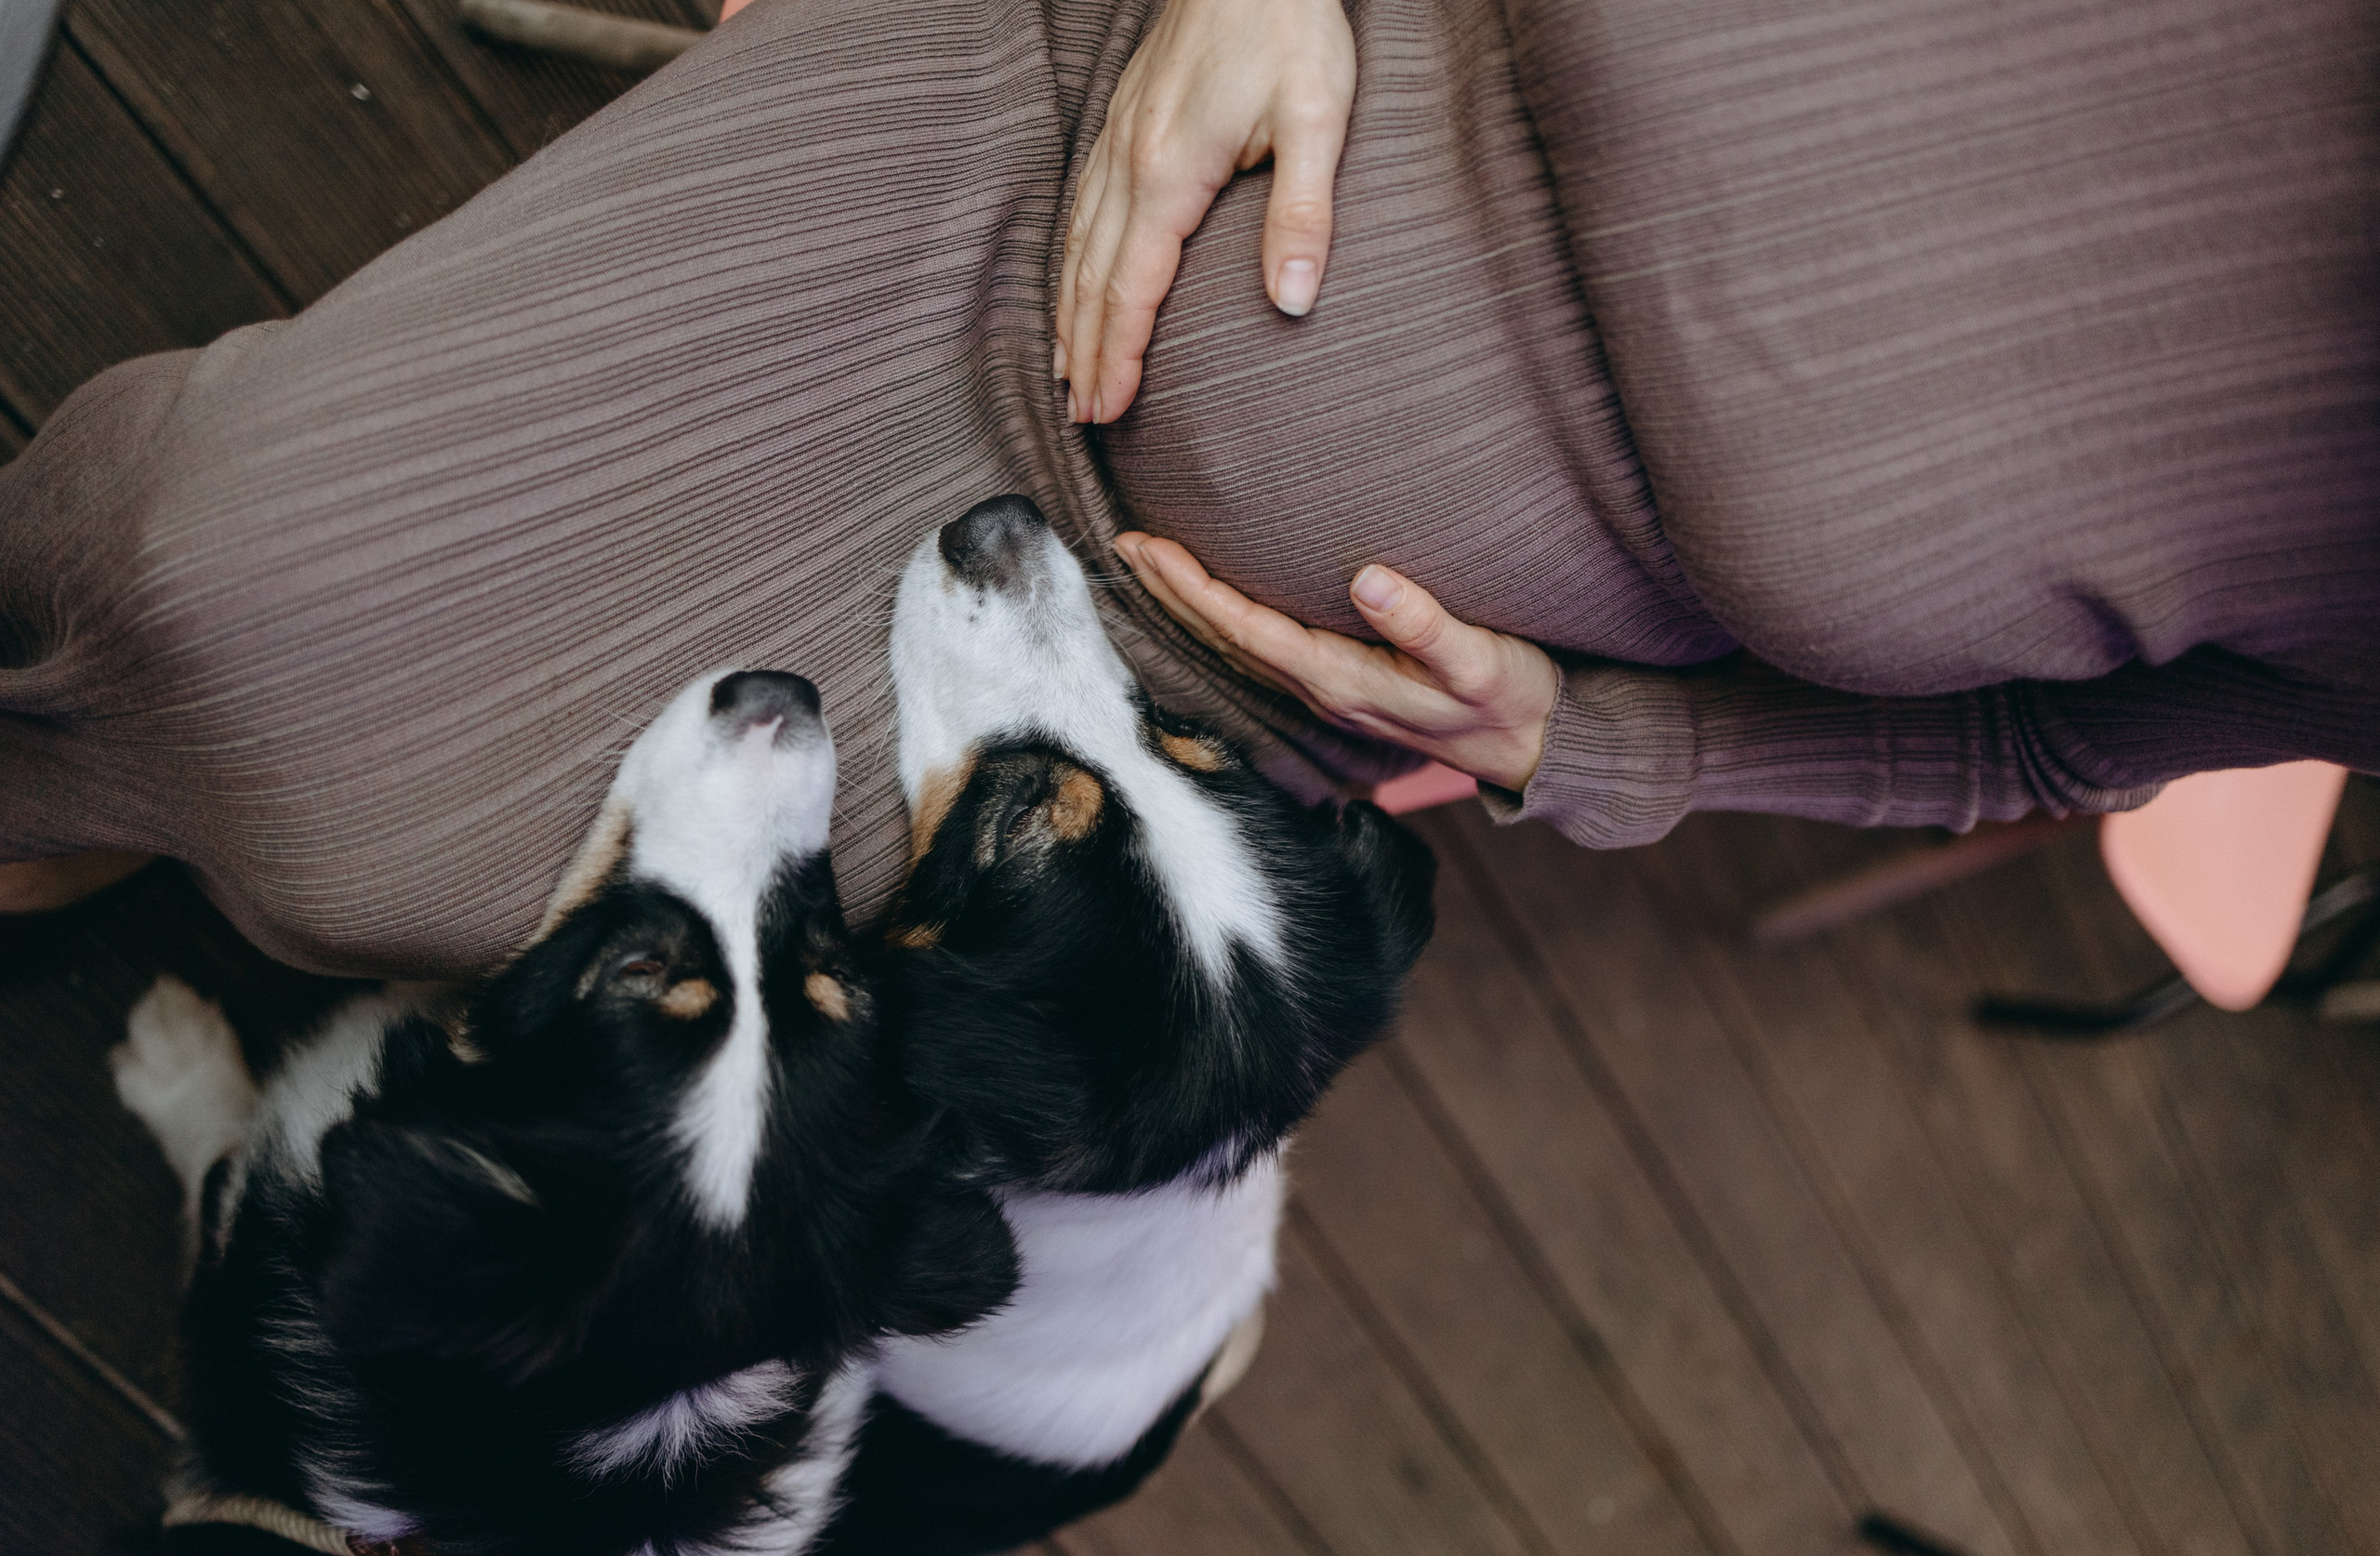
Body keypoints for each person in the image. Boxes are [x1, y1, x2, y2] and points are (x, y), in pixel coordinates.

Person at [3, 0, 2374, 972]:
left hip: (1149, 677)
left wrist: (1601, 746)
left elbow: (2047, 740)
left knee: (394, 864)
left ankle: (105, 808)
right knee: (201, 567)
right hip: (1030, 151)